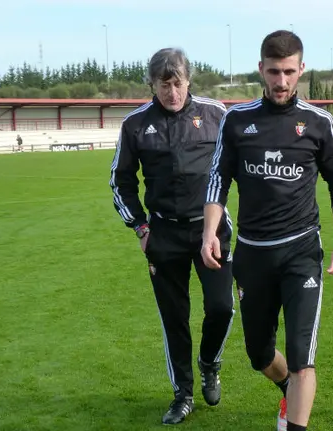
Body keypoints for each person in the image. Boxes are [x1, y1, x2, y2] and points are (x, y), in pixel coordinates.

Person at [201, 30, 333, 431]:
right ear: (260, 70)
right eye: (273, 72)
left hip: (302, 252)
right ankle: (287, 387)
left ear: (301, 69)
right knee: (259, 354)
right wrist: (209, 233)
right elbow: (218, 178)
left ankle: (295, 418)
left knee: (303, 357)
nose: (281, 81)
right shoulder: (237, 120)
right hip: (252, 255)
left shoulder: (319, 123)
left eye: (289, 71)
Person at [109, 47, 235, 425]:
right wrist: (141, 226)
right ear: (152, 84)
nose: (172, 93)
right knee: (174, 318)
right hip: (163, 233)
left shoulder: (216, 114)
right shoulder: (135, 125)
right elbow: (121, 181)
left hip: (211, 229)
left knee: (221, 308)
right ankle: (183, 394)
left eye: (177, 83)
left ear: (188, 80)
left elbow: (238, 165)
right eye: (164, 85)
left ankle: (209, 362)